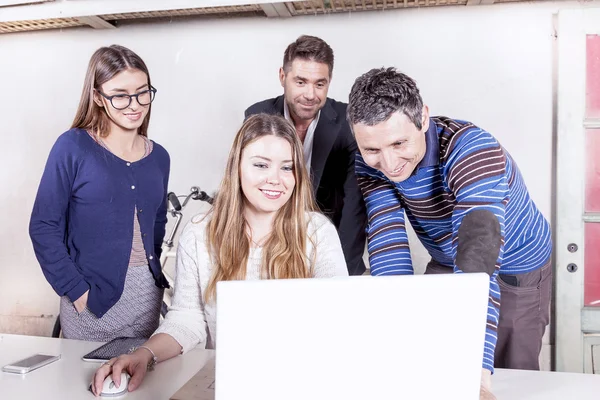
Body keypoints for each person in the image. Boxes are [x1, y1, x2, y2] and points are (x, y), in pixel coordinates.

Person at [90, 113, 349, 396]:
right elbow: (187, 320)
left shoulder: (317, 233)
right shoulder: (200, 234)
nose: (276, 179)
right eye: (261, 165)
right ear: (237, 167)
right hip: (229, 386)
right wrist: (143, 354)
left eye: (287, 168)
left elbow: (337, 321)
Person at [346, 67, 552, 400]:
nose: (388, 162)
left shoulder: (472, 150)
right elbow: (389, 246)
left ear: (423, 118)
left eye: (399, 143)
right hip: (447, 256)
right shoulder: (368, 162)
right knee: (434, 361)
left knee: (511, 373)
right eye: (372, 149)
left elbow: (477, 260)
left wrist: (478, 381)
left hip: (517, 265)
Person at [29, 45, 170, 341]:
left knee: (145, 385)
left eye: (142, 92)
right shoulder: (72, 147)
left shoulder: (159, 157)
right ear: (97, 97)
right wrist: (77, 292)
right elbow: (43, 227)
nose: (134, 105)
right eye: (119, 95)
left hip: (147, 301)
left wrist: (153, 281)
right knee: (85, 384)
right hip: (92, 302)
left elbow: (157, 223)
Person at [245, 35, 367, 276]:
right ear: (283, 76)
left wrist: (341, 271)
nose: (311, 95)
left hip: (328, 241)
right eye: (300, 82)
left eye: (319, 84)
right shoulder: (257, 115)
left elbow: (355, 203)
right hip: (269, 245)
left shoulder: (347, 121)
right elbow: (249, 190)